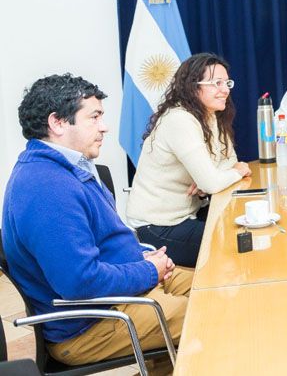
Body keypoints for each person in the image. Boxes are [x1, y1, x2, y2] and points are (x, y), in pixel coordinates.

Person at [2, 74, 190, 368]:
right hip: (91, 327)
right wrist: (148, 271)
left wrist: (142, 259)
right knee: (214, 314)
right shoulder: (46, 187)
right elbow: (81, 283)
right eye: (94, 117)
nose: (104, 127)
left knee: (220, 286)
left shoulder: (69, 167)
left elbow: (104, 241)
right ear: (58, 123)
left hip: (124, 292)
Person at [127, 53, 252, 267]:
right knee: (238, 244)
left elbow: (229, 160)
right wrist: (235, 172)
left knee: (247, 226)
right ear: (194, 87)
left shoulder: (210, 114)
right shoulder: (179, 120)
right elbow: (214, 180)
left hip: (190, 213)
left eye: (227, 82)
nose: (225, 89)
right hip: (157, 227)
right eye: (216, 83)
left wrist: (210, 175)